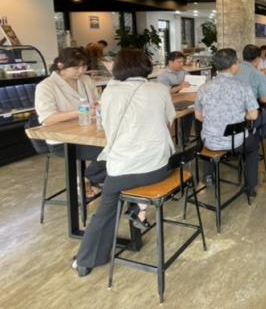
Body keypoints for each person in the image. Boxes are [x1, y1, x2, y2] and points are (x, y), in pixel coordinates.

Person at [71, 49, 175, 277]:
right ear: (146, 66)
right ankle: (138, 206)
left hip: (124, 171)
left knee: (106, 209)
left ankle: (87, 260)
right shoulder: (160, 89)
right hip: (160, 167)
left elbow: (109, 127)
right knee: (108, 172)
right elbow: (168, 123)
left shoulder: (110, 92)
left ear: (118, 67)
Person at [34, 47, 106, 196]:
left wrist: (98, 106)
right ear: (61, 65)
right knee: (113, 151)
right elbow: (48, 118)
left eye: (84, 66)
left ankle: (89, 178)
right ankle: (92, 178)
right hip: (64, 141)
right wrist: (83, 111)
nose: (81, 71)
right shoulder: (46, 86)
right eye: (76, 68)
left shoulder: (86, 80)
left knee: (123, 144)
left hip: (88, 132)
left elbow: (97, 102)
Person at [195, 48, 260, 195]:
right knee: (253, 146)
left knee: (209, 137)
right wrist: (242, 116)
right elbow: (254, 115)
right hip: (235, 142)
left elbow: (198, 116)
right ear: (233, 65)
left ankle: (208, 176)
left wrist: (215, 121)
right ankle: (250, 188)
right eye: (237, 61)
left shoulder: (203, 88)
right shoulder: (243, 87)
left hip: (210, 141)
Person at [236, 44, 266, 140]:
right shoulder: (259, 75)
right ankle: (253, 139)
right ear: (258, 59)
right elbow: (264, 100)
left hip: (231, 112)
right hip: (248, 114)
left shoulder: (233, 70)